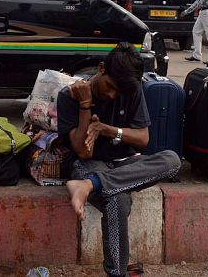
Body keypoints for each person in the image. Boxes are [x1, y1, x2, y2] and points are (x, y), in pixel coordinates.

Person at [59, 43, 181, 277]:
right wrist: (85, 105)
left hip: (123, 162)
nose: (113, 95)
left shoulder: (131, 89)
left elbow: (143, 139)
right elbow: (83, 152)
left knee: (172, 160)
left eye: (119, 92)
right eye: (110, 87)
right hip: (87, 164)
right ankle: (117, 273)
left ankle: (90, 185)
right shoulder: (70, 94)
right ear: (101, 68)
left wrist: (106, 129)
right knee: (117, 200)